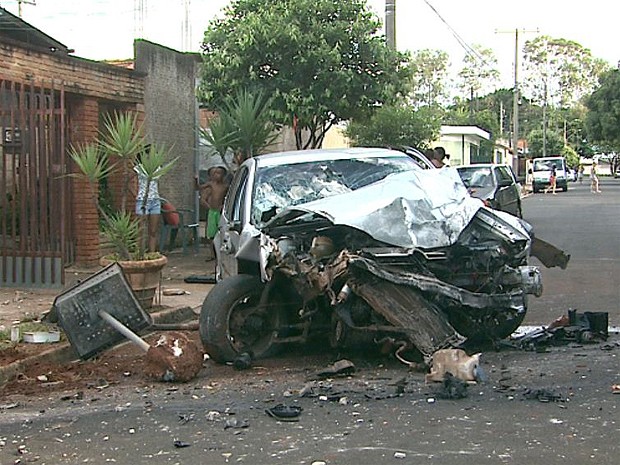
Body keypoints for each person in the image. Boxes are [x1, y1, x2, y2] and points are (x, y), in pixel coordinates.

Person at [196, 165, 230, 259]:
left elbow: (229, 198)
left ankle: (221, 253)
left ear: (223, 175)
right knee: (211, 234)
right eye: (214, 173)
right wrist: (195, 180)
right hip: (212, 211)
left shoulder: (225, 186)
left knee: (222, 232)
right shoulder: (211, 184)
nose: (216, 175)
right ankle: (212, 254)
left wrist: (223, 206)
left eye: (218, 173)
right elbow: (198, 188)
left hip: (220, 212)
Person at [134, 159, 161, 253]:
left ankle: (152, 253)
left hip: (155, 201)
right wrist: (136, 195)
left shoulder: (157, 168)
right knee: (141, 230)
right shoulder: (139, 168)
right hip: (142, 200)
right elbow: (129, 181)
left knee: (153, 230)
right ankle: (139, 253)